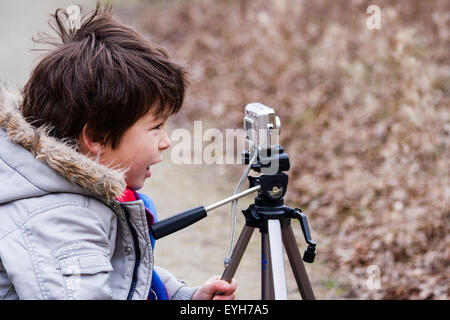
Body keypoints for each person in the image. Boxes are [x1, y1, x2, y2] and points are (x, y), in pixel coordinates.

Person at [0, 2, 236, 300]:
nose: (166, 141)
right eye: (156, 127)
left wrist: (183, 297)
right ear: (96, 137)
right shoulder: (62, 224)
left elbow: (115, 270)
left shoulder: (69, 190)